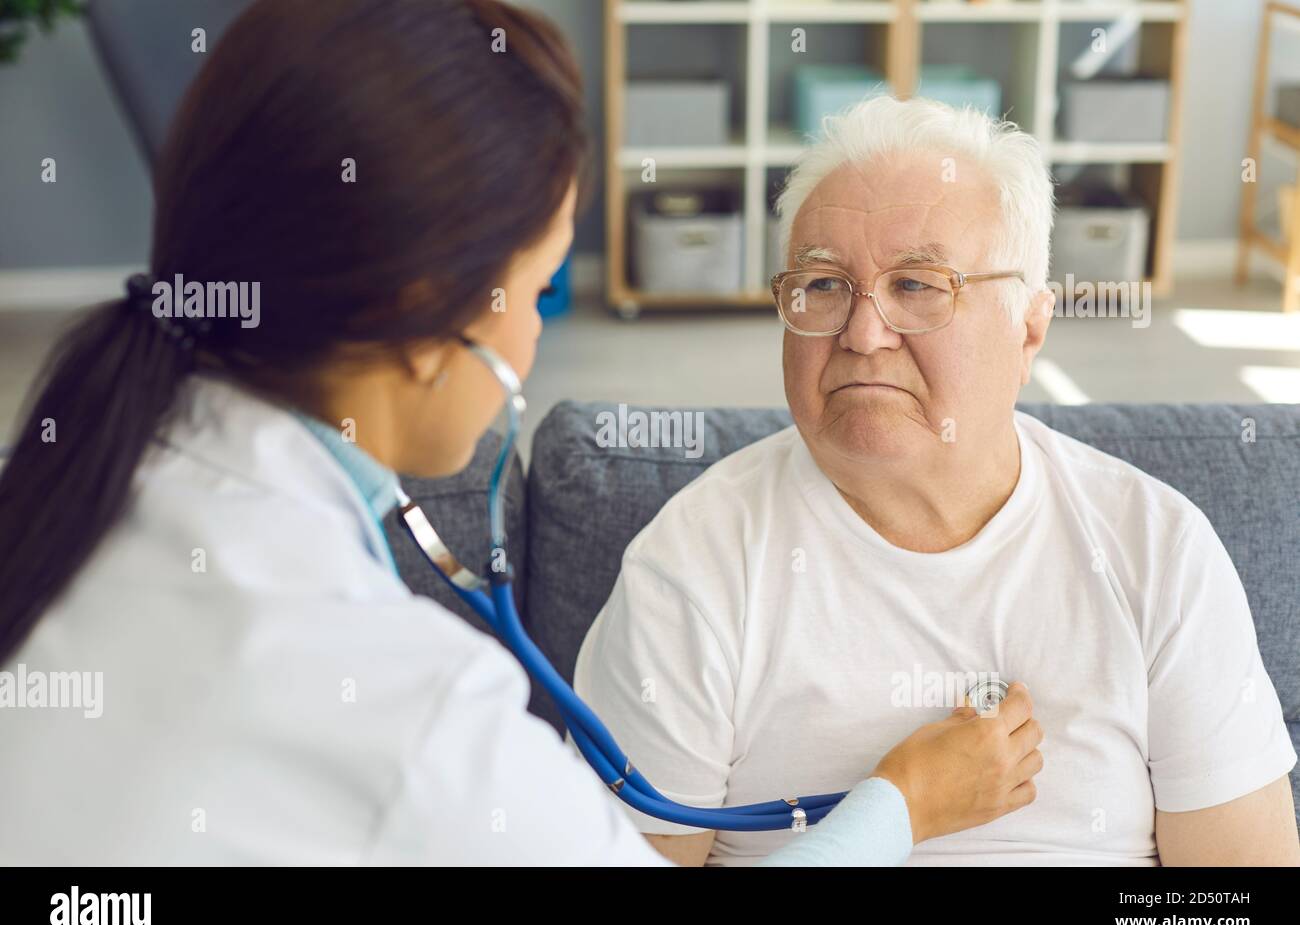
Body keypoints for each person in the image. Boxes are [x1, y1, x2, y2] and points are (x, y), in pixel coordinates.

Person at [0, 1, 1041, 865]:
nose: (532, 341)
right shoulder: (409, 705)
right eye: (539, 290)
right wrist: (903, 801)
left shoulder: (91, 475)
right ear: (426, 313)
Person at [574, 95, 1300, 867]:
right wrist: (895, 812)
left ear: (1029, 326)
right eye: (822, 286)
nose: (861, 333)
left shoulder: (1158, 551)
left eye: (917, 285)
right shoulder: (690, 570)